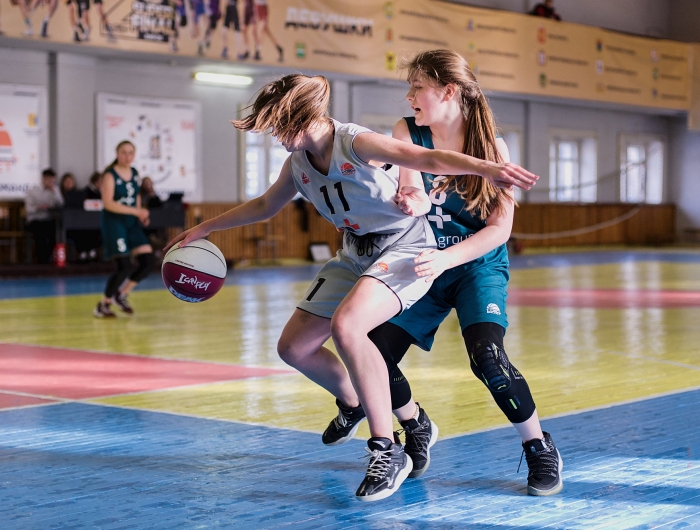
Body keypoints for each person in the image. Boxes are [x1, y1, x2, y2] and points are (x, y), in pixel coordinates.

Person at [165, 73, 538, 502]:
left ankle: (386, 449)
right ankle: (356, 401)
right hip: (356, 251)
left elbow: (426, 158)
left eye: (277, 125)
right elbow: (266, 205)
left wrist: (488, 168)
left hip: (404, 246)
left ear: (300, 116)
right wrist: (205, 228)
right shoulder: (298, 162)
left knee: (349, 326)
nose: (274, 136)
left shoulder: (356, 142)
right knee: (294, 347)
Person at [325, 49, 563, 496]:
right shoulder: (407, 131)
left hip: (475, 266)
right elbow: (412, 183)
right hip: (422, 259)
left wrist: (448, 258)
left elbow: (499, 230)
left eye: (418, 87)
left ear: (448, 91)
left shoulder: (492, 149)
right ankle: (415, 422)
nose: (410, 96)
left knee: (488, 358)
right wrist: (411, 198)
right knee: (372, 349)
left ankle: (538, 445)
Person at [94, 140, 155, 318]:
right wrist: (136, 211)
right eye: (123, 152)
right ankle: (103, 304)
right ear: (117, 154)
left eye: (130, 153)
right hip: (114, 222)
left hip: (131, 222)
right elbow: (108, 203)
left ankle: (121, 294)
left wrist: (140, 214)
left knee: (148, 261)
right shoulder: (110, 175)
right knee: (124, 265)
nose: (127, 156)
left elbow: (136, 196)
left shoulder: (134, 173)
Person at [24, 168, 63, 264]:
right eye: (48, 180)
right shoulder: (33, 191)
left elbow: (61, 204)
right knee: (40, 231)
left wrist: (55, 193)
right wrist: (38, 207)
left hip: (48, 219)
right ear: (43, 179)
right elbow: (28, 209)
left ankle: (49, 257)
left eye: (52, 181)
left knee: (54, 229)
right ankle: (41, 259)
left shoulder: (55, 190)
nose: (50, 183)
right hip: (35, 219)